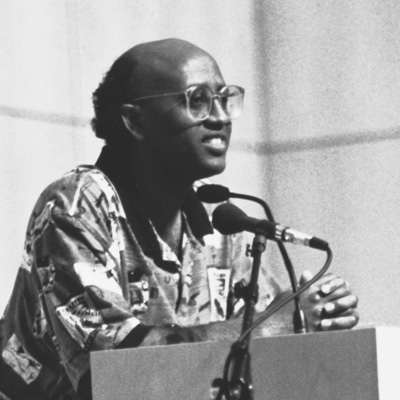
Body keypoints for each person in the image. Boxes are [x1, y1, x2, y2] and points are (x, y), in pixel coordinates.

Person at [0, 38, 358, 400]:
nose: (219, 117)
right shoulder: (75, 205)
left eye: (224, 98)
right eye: (197, 100)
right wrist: (277, 326)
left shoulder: (219, 220)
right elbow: (113, 373)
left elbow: (264, 321)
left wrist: (314, 315)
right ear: (135, 121)